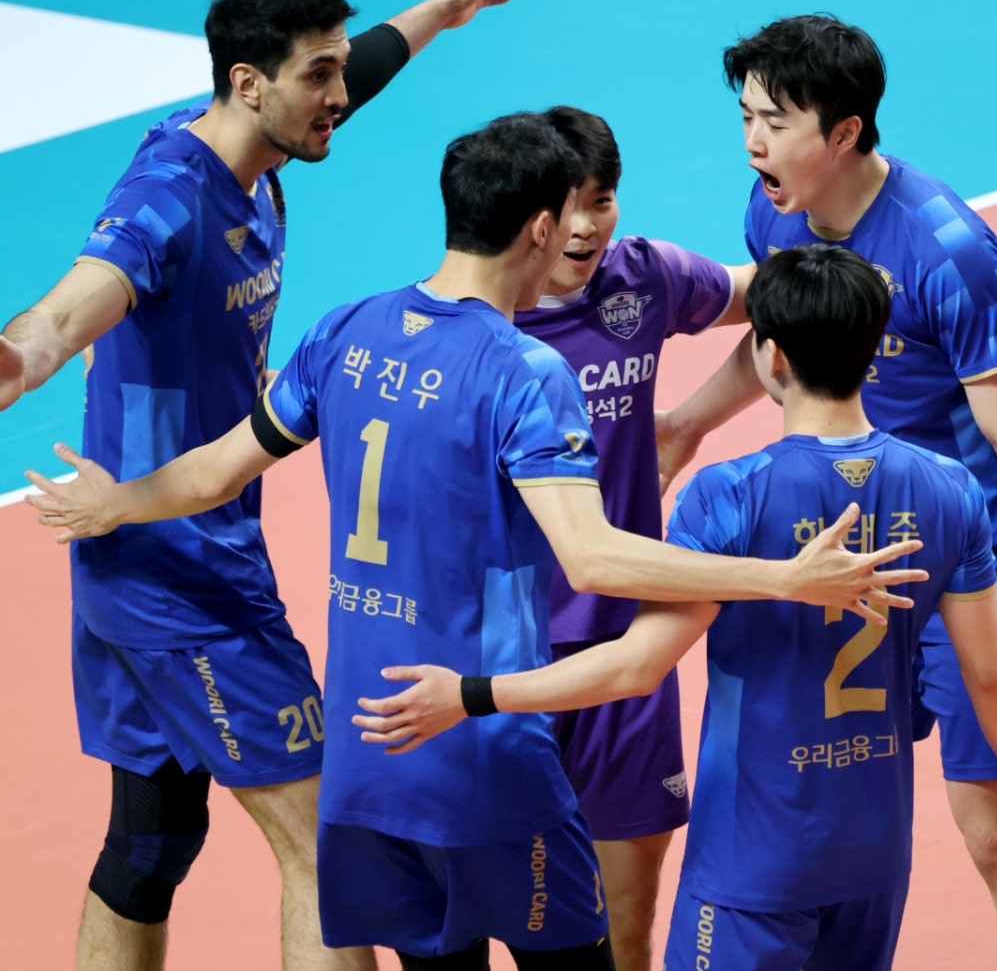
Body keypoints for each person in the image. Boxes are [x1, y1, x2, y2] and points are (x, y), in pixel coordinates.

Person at [26, 116, 929, 969]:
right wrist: (782, 576)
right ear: (539, 228)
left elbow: (213, 474)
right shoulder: (525, 370)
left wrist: (117, 502)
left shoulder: (343, 329)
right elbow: (592, 557)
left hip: (370, 754)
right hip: (483, 752)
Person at [0, 0, 539, 971]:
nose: (338, 95)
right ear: (250, 85)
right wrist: (18, 359)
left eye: (337, 69)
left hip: (142, 558)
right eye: (317, 74)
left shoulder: (254, 147)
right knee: (330, 847)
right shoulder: (167, 200)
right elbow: (65, 315)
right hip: (180, 576)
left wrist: (445, 7)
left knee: (150, 843)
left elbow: (359, 72)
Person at [341, 244, 997, 971]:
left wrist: (470, 695)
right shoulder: (948, 489)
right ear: (872, 351)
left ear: (772, 357)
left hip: (753, 857)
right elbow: (993, 673)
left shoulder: (728, 495)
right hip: (873, 850)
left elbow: (637, 667)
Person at [654, 14, 997, 970]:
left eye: (775, 121)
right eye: (746, 117)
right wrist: (686, 422)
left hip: (959, 557)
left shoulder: (948, 252)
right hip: (843, 551)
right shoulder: (774, 210)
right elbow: (785, 334)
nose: (753, 142)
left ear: (845, 131)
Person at [512, 106, 753, 971]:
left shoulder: (644, 278)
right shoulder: (484, 316)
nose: (585, 226)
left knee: (627, 912)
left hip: (629, 644)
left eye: (602, 199)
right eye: (567, 204)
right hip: (512, 648)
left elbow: (780, 298)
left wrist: (688, 421)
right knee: (524, 913)